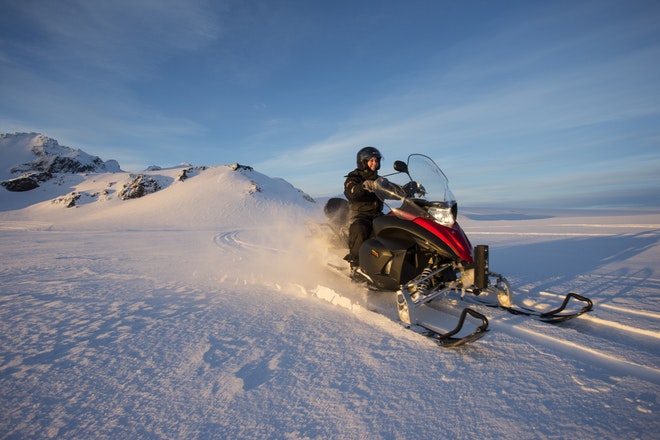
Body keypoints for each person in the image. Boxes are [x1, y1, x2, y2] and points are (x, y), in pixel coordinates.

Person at [343, 146, 384, 273]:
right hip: (360, 215)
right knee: (361, 228)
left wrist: (408, 188)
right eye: (371, 160)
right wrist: (362, 186)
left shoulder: (379, 179)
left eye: (376, 160)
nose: (374, 163)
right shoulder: (354, 177)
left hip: (377, 215)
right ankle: (355, 265)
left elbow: (392, 190)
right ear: (363, 162)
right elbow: (351, 192)